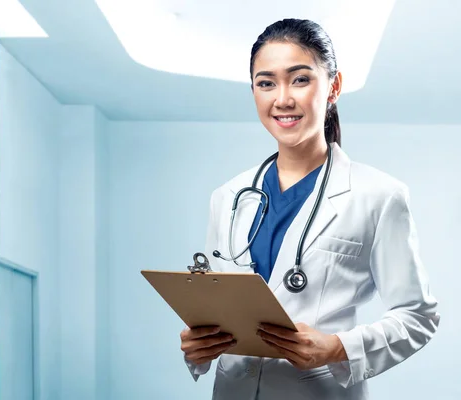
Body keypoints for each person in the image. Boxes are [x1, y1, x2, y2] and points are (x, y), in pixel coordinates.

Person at [179, 18, 440, 400]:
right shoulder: (228, 196)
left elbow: (418, 316)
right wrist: (198, 344)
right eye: (266, 83)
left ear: (333, 86)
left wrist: (337, 348)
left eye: (300, 79)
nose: (282, 99)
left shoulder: (379, 195)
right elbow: (222, 306)